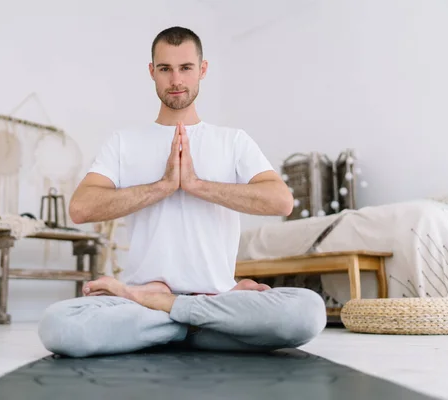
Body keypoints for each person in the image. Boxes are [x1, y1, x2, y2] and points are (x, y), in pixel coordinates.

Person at [38, 26, 326, 358]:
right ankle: (190, 323)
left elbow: (281, 201)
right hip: (146, 303)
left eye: (186, 68)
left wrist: (195, 185)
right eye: (165, 69)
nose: (176, 79)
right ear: (152, 72)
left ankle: (169, 315)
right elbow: (81, 208)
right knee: (59, 326)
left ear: (202, 70)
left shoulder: (233, 141)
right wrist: (163, 186)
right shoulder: (123, 142)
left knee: (307, 312)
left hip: (215, 298)